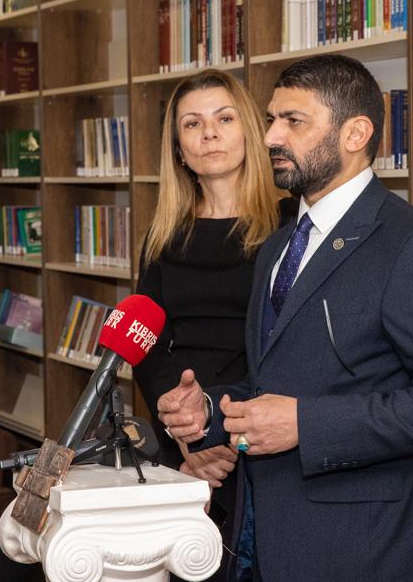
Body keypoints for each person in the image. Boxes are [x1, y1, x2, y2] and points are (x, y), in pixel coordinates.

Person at [157, 55, 413, 581]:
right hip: (264, 534)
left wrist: (304, 424)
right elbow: (276, 381)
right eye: (271, 119)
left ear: (355, 133)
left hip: (367, 548)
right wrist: (211, 410)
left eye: (293, 121)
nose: (270, 137)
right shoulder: (278, 245)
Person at [134, 69, 292, 580]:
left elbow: (292, 341)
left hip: (261, 433)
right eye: (192, 124)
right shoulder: (162, 235)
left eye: (224, 119)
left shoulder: (290, 225)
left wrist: (222, 431)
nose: (209, 134)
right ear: (179, 149)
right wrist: (186, 435)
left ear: (249, 130)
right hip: (183, 439)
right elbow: (147, 346)